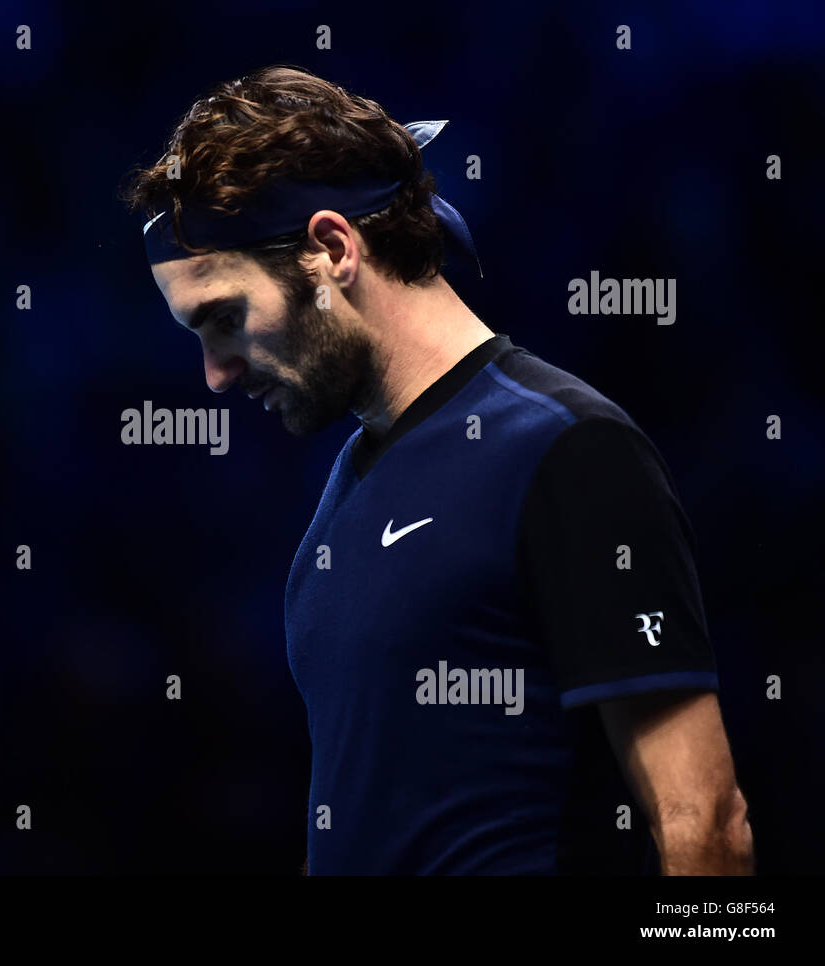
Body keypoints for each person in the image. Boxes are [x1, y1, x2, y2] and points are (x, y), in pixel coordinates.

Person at [122, 65, 753, 875]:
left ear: (331, 250)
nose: (215, 373)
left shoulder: (568, 450)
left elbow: (707, 823)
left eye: (224, 319)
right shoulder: (350, 480)